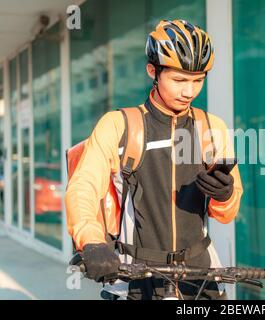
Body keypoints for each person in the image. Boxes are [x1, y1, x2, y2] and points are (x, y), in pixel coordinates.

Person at [65, 19, 243, 300]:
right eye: (179, 80)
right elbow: (84, 187)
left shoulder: (212, 128)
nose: (189, 91)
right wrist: (91, 242)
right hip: (135, 276)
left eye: (198, 80)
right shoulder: (119, 125)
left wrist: (226, 194)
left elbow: (227, 213)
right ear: (153, 71)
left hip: (201, 275)